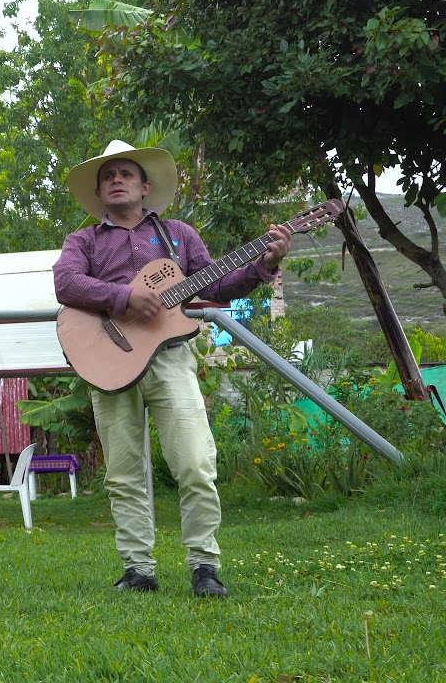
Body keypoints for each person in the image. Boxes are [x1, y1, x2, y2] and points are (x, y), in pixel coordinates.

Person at [52, 140, 293, 598]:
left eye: (126, 173)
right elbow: (66, 282)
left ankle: (205, 566)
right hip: (108, 362)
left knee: (196, 463)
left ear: (145, 186)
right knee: (123, 475)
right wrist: (123, 297)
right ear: (99, 192)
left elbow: (218, 286)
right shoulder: (82, 241)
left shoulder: (179, 235)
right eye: (108, 176)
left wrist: (267, 263)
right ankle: (137, 570)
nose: (116, 180)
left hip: (171, 358)